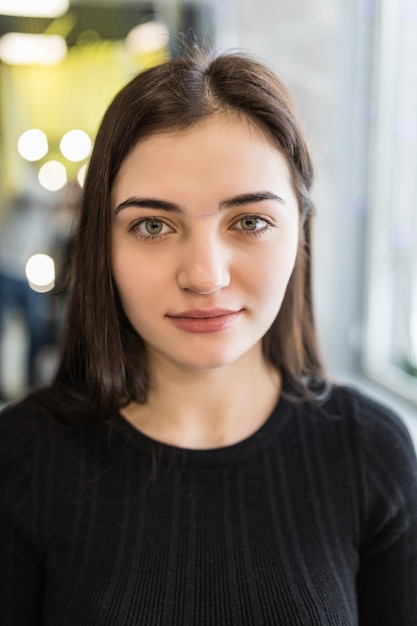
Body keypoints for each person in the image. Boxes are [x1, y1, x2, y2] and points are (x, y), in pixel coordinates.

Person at [1, 50, 416, 625]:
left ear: (300, 232)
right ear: (102, 246)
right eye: (153, 225)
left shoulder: (372, 453)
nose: (204, 275)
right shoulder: (20, 459)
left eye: (248, 222)